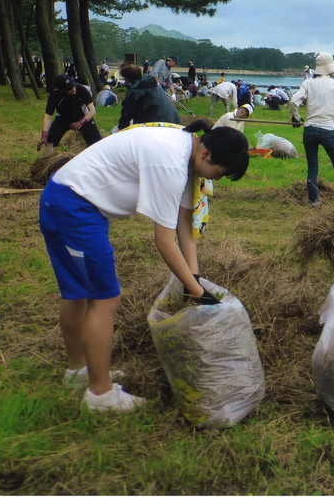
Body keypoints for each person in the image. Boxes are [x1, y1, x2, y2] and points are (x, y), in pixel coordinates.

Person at [39, 120, 249, 411]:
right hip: (74, 209)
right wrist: (197, 293)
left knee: (78, 294)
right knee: (104, 298)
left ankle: (80, 372)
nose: (218, 180)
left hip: (66, 199)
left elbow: (184, 225)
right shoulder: (171, 164)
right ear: (206, 155)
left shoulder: (186, 150)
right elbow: (164, 241)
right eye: (220, 173)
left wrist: (195, 279)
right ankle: (100, 394)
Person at [289, 52, 334, 207]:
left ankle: (314, 200)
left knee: (312, 166)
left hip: (310, 129)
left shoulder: (308, 83)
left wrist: (296, 118)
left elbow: (293, 102)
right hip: (329, 130)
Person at [38, 74, 103, 156]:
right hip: (63, 118)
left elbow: (93, 111)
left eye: (73, 86)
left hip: (83, 117)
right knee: (49, 140)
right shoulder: (55, 95)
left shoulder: (81, 89)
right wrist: (44, 134)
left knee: (96, 142)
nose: (73, 89)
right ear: (62, 91)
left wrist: (81, 122)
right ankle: (46, 161)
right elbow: (48, 116)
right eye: (69, 89)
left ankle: (98, 158)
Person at [117, 63, 182, 130]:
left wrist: (121, 129)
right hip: (175, 122)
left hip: (155, 125)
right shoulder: (154, 85)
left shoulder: (135, 90)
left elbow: (127, 113)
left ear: (127, 78)